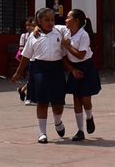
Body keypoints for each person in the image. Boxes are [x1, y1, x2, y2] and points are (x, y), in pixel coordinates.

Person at [11, 8, 77, 144]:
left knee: (58, 103)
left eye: (52, 19)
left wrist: (71, 69)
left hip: (57, 68)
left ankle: (58, 122)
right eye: (46, 20)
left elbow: (71, 31)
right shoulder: (33, 36)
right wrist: (18, 72)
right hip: (39, 69)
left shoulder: (59, 31)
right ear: (39, 21)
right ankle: (42, 133)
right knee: (42, 101)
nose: (50, 22)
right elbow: (26, 56)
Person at [62, 9, 101, 141]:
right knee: (76, 99)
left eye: (68, 17)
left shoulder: (83, 35)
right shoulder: (66, 32)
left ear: (76, 21)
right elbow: (50, 28)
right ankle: (80, 130)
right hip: (74, 67)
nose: (65, 20)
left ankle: (89, 117)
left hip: (86, 66)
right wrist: (72, 69)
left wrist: (67, 46)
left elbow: (81, 55)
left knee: (85, 99)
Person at [17, 17, 35, 104]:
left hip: (37, 59)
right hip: (28, 59)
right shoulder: (24, 36)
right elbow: (21, 48)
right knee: (31, 78)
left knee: (33, 78)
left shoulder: (39, 35)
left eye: (31, 25)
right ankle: (28, 97)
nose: (29, 27)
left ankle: (23, 89)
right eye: (27, 25)